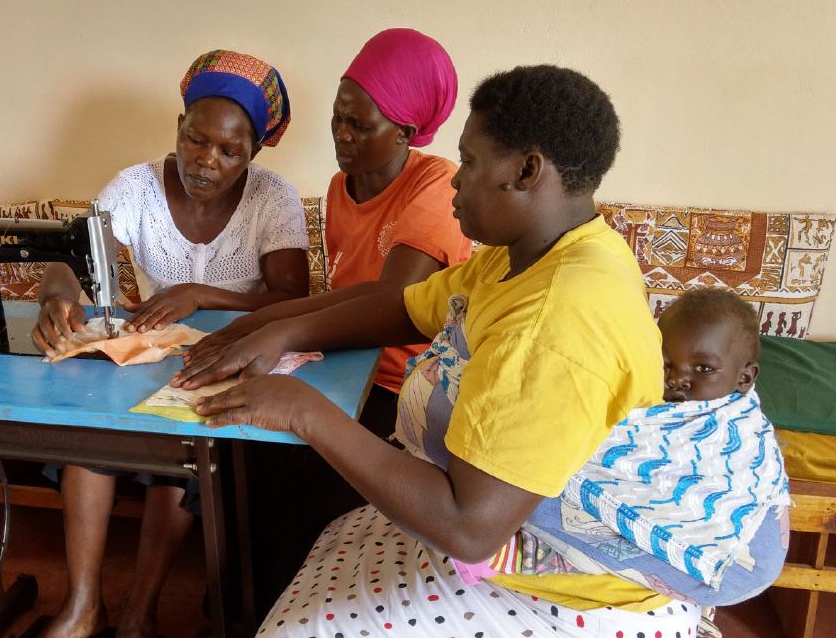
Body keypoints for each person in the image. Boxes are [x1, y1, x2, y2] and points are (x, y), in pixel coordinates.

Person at [176, 66, 702, 635]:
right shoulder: (529, 254)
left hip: (562, 587)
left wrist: (303, 409)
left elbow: (470, 528)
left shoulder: (555, 320)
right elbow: (406, 306)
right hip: (502, 537)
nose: (455, 181)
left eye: (470, 162)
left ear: (527, 170)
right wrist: (276, 330)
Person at [183, 29, 470, 607]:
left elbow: (394, 309)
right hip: (338, 368)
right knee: (233, 447)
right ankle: (238, 604)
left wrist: (276, 326)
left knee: (293, 476)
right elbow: (341, 295)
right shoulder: (342, 188)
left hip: (405, 387)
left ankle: (268, 606)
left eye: (359, 126)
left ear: (407, 133)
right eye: (338, 117)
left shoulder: (435, 188)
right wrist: (258, 326)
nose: (341, 134)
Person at [32, 49, 309, 638]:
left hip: (228, 362)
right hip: (146, 361)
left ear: (253, 153)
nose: (207, 161)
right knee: (88, 432)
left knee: (184, 457)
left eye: (229, 150)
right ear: (177, 129)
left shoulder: (272, 198)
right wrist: (56, 297)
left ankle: (138, 612)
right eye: (195, 140)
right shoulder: (135, 187)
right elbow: (69, 260)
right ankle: (83, 609)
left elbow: (292, 300)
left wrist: (202, 295)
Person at [463, 287, 790, 606]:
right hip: (640, 540)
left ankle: (531, 554)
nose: (677, 379)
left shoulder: (737, 428)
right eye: (666, 365)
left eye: (703, 368)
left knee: (545, 480)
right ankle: (544, 557)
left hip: (723, 566)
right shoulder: (643, 392)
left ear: (744, 379)